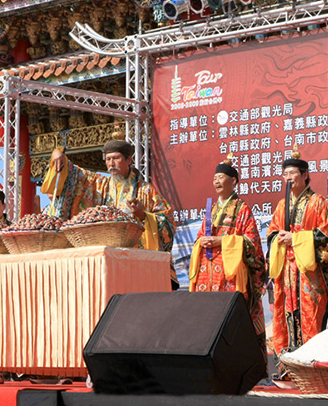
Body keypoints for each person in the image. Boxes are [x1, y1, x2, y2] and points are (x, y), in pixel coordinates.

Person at [44, 135, 175, 252]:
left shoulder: (145, 190)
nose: (111, 164)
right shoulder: (101, 186)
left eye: (116, 158)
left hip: (135, 256)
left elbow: (168, 223)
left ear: (129, 160)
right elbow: (77, 176)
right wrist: (59, 155)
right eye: (108, 159)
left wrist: (143, 216)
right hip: (105, 254)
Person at [189, 157, 268, 342]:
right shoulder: (212, 209)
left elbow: (252, 242)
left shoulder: (242, 209)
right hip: (207, 275)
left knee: (231, 323)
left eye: (221, 177)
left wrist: (222, 241)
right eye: (215, 177)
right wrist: (202, 243)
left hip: (229, 275)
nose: (216, 181)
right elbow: (200, 236)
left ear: (233, 182)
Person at [266, 153, 328, 356]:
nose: (288, 177)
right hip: (287, 271)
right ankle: (289, 361)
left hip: (308, 271)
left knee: (311, 313)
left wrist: (296, 239)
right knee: (287, 312)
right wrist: (277, 238)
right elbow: (271, 232)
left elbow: (326, 237)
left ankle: (313, 360)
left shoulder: (317, 202)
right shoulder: (282, 205)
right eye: (285, 174)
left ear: (305, 175)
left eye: (293, 173)